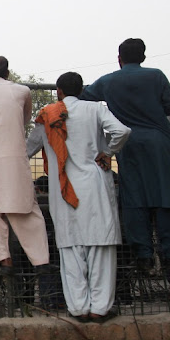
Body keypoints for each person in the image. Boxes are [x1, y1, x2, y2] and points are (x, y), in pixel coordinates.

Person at [27, 72, 131, 322]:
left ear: (59, 91)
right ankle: (100, 309)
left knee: (71, 249)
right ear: (81, 89)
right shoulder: (96, 109)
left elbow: (26, 149)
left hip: (63, 190)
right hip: (95, 187)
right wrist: (107, 152)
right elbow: (122, 131)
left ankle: (78, 309)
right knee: (100, 247)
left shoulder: (47, 116)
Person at [81, 38, 170, 270]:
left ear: (119, 58)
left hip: (129, 146)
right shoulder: (156, 75)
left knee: (135, 199)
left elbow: (82, 96)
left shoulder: (108, 81)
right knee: (167, 199)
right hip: (163, 145)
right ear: (144, 57)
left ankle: (143, 255)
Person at [0, 55, 49, 275]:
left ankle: (4, 259)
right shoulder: (22, 91)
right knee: (25, 207)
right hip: (13, 155)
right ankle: (40, 260)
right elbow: (23, 120)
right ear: (8, 73)